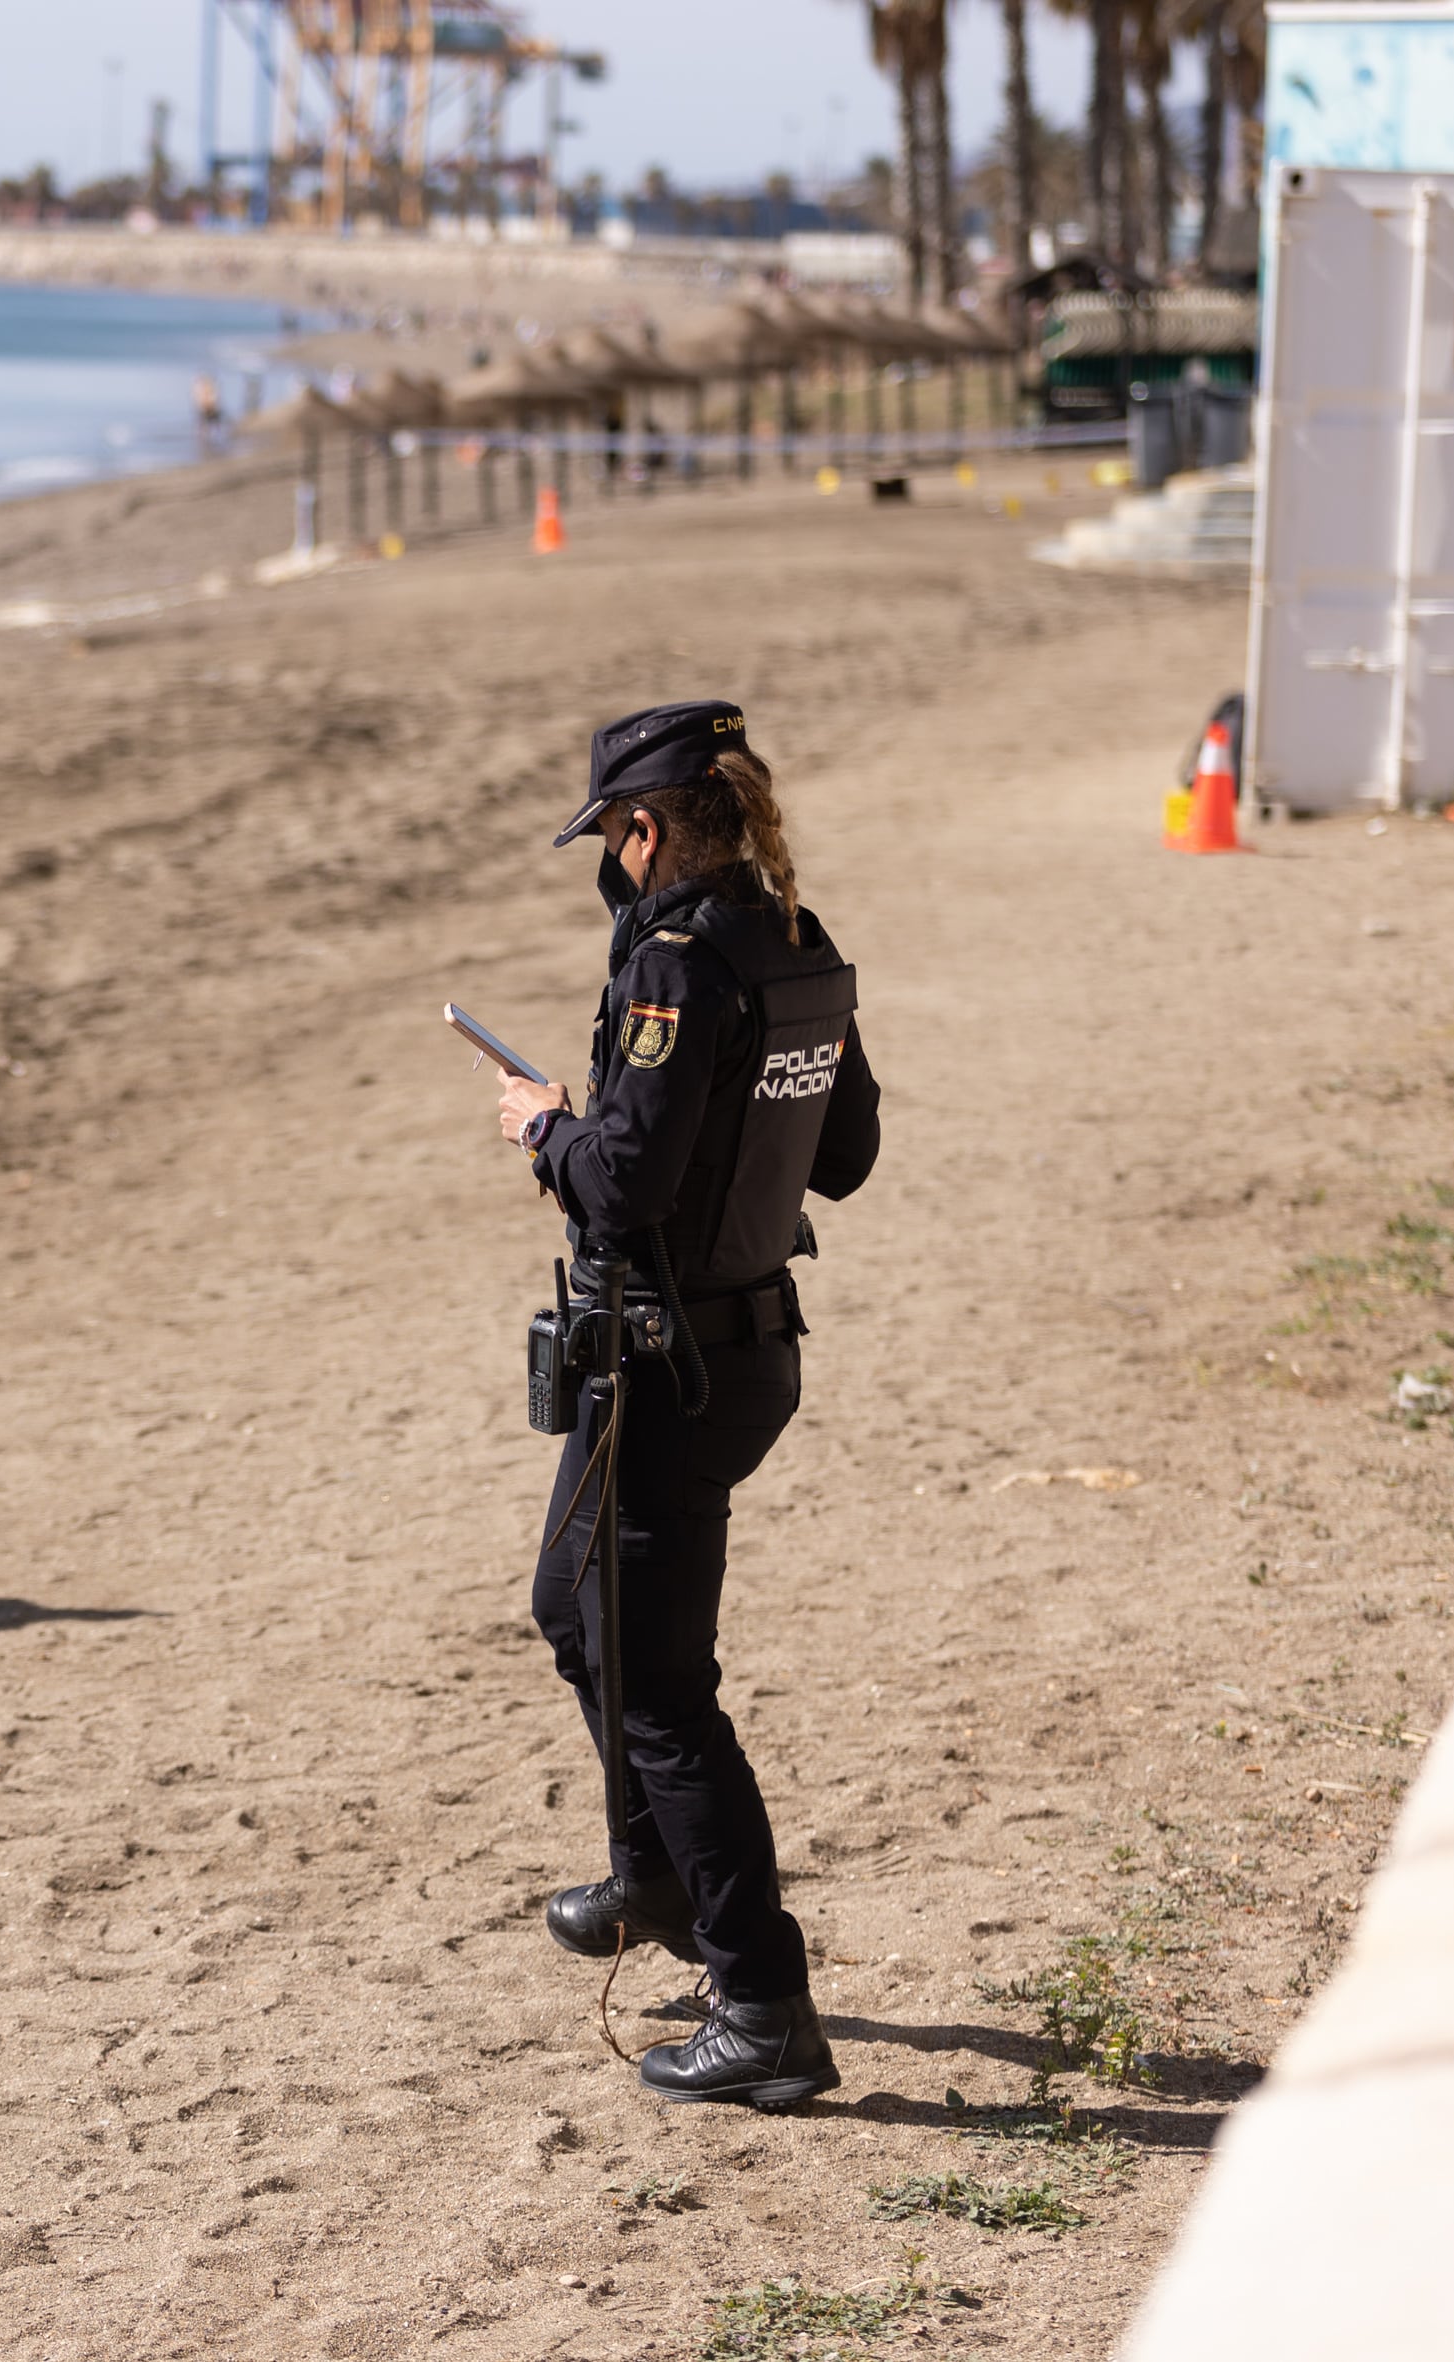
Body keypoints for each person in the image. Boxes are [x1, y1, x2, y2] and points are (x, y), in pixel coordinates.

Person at [487, 699, 880, 2106]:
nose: (609, 859)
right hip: (742, 1349)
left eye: (609, 834)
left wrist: (546, 1123)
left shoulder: (675, 963)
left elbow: (617, 1185)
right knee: (569, 1607)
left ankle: (763, 2002)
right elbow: (845, 1153)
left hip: (667, 1368)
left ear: (644, 829)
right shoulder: (792, 940)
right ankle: (652, 1873)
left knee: (657, 1686)